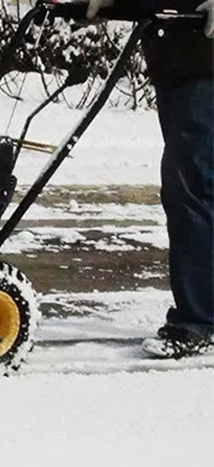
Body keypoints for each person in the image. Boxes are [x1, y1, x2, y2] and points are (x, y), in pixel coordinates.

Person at [86, 0, 214, 358]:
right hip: (178, 52)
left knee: (193, 187)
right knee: (190, 186)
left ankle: (201, 320)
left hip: (202, 59)